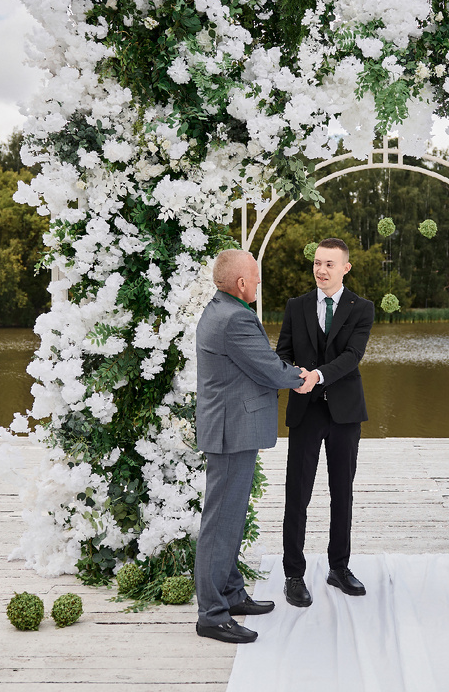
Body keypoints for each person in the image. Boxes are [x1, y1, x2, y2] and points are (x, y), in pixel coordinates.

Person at [194, 249, 317, 644]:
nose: (260, 281)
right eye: (256, 276)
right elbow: (266, 365)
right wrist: (300, 376)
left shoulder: (220, 309)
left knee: (229, 519)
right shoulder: (234, 319)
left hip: (230, 428)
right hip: (232, 432)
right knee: (220, 524)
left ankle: (230, 594)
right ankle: (212, 615)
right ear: (241, 283)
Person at [276, 237, 375, 607]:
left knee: (342, 493)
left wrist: (317, 374)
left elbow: (352, 355)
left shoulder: (361, 308)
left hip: (345, 412)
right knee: (297, 494)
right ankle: (293, 574)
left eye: (329, 264)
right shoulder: (295, 306)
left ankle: (339, 567)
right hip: (304, 410)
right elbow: (283, 352)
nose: (321, 269)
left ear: (345, 268)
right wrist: (295, 376)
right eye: (317, 262)